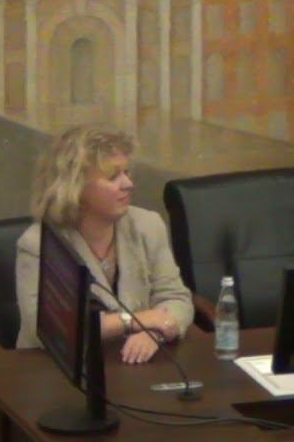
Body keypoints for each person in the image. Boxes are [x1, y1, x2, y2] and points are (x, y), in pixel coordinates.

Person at [15, 125, 194, 363]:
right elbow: (49, 329)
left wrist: (154, 332)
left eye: (127, 173)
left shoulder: (148, 226)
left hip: (134, 366)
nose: (128, 184)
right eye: (113, 177)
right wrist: (135, 321)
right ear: (75, 187)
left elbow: (177, 299)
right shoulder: (38, 245)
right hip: (57, 368)